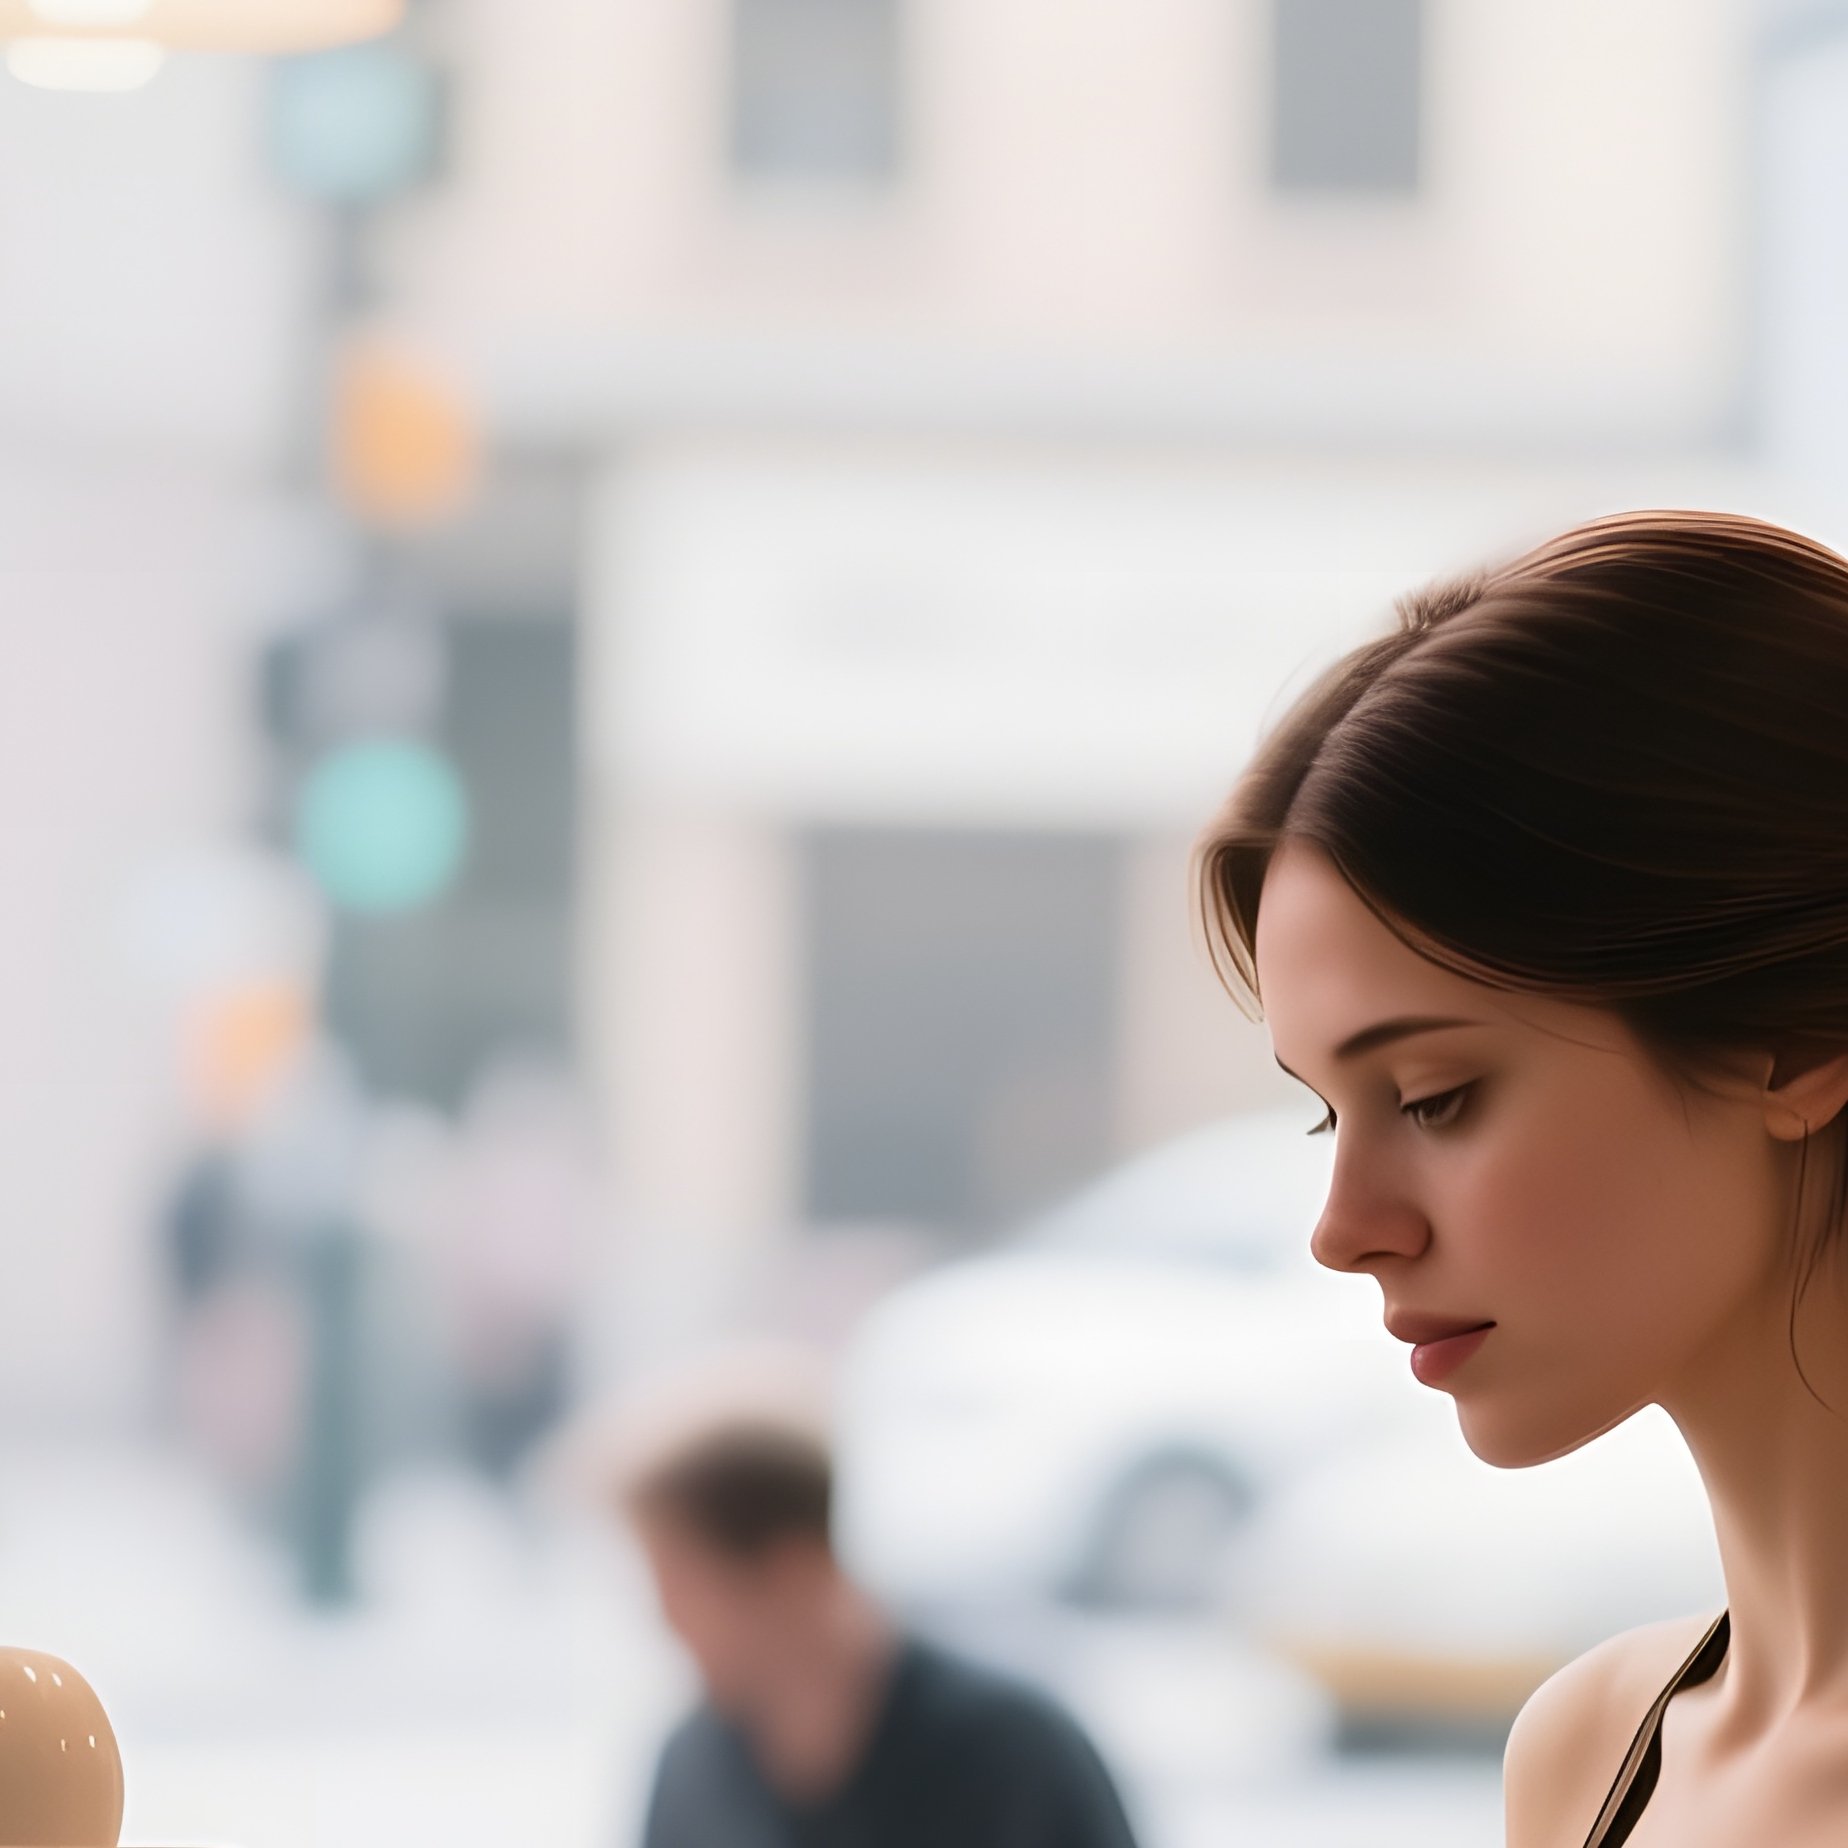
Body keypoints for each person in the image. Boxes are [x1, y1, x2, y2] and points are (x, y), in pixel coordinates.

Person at [1195, 509, 1848, 1846]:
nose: (1341, 1232)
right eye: (1330, 1118)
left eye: (1436, 1097)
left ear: (1797, 1039)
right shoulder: (1587, 1753)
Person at [609, 1365, 1142, 1848]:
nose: (665, 1619)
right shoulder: (694, 1767)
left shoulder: (1019, 1756)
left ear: (790, 1571)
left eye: (681, 1585)